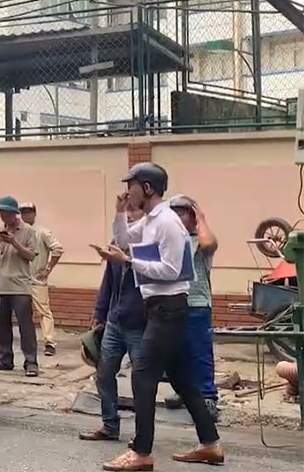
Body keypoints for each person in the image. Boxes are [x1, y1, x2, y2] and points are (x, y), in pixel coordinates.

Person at [94, 163, 223, 471]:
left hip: (169, 307)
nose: (128, 190)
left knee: (142, 375)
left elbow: (171, 270)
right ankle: (211, 444)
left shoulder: (167, 222)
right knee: (183, 380)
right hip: (159, 308)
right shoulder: (151, 221)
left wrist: (128, 262)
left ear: (147, 188)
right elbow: (124, 239)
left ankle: (141, 452)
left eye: (132, 185)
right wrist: (119, 212)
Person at [79, 202, 147, 443]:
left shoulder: (150, 244)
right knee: (104, 373)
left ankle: (143, 436)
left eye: (134, 212)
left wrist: (127, 260)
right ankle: (109, 425)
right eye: (125, 212)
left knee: (142, 380)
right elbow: (108, 281)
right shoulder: (117, 243)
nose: (129, 217)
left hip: (141, 324)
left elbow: (153, 279)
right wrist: (100, 313)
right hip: (114, 322)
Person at [165, 195, 220, 421]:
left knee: (199, 353)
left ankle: (208, 397)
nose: (178, 216)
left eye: (183, 212)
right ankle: (184, 391)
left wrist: (201, 220)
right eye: (174, 212)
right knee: (175, 352)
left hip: (197, 304)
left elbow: (210, 244)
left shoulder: (199, 239)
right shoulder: (169, 239)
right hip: (172, 302)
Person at [0, 196, 40, 377]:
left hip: (20, 286)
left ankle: (31, 362)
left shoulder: (28, 231)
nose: (3, 217)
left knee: (25, 326)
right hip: (0, 284)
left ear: (14, 214)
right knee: (1, 325)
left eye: (6, 213)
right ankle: (4, 359)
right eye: (0, 213)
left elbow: (31, 256)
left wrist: (14, 242)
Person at [19, 202, 65, 356]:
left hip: (36, 279)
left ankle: (49, 342)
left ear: (34, 213)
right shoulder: (17, 232)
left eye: (29, 212)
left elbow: (58, 249)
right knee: (24, 313)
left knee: (44, 311)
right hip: (20, 279)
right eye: (23, 213)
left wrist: (48, 269)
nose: (26, 216)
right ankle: (28, 342)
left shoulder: (42, 232)